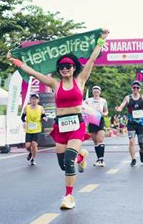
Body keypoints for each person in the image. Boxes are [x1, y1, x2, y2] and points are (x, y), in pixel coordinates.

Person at [8, 29, 109, 210]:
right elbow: (32, 72)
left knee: (69, 160)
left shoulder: (81, 80)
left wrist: (101, 40)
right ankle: (82, 156)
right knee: (63, 165)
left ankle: (69, 196)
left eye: (68, 66)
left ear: (73, 68)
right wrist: (16, 62)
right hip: (60, 126)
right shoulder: (54, 84)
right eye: (61, 66)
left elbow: (92, 59)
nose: (64, 68)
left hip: (77, 124)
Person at [115, 81, 143, 166]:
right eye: (134, 87)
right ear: (131, 88)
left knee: (141, 143)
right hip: (131, 123)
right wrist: (118, 109)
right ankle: (133, 159)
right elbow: (121, 107)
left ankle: (141, 151)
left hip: (140, 124)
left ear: (140, 89)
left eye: (137, 88)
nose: (135, 89)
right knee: (131, 141)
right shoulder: (128, 98)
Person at [84, 86, 109, 167]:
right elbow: (83, 107)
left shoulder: (103, 101)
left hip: (100, 120)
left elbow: (106, 111)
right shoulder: (88, 100)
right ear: (92, 92)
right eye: (94, 90)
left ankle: (101, 160)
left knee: (100, 139)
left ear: (100, 92)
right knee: (95, 141)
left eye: (97, 90)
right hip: (91, 121)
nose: (96, 91)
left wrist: (103, 114)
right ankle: (99, 159)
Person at [21, 93, 47, 165]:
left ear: (38, 100)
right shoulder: (27, 107)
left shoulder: (40, 108)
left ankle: (33, 159)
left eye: (35, 99)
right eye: (32, 99)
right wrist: (24, 121)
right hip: (29, 129)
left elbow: (43, 115)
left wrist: (44, 118)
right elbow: (22, 117)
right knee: (27, 146)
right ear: (30, 100)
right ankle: (30, 152)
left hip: (37, 129)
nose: (34, 100)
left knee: (34, 144)